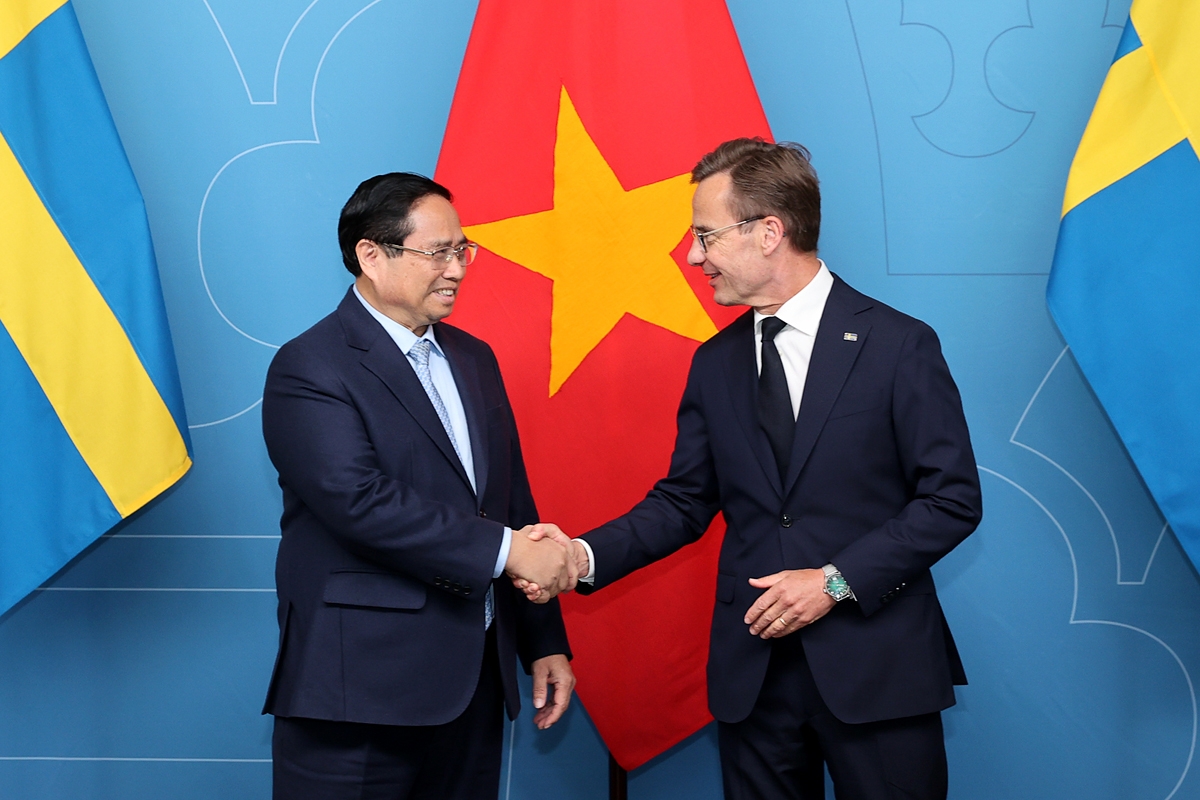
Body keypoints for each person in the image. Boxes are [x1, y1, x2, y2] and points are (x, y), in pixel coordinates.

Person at [524, 139, 983, 799]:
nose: (692, 256)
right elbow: (684, 503)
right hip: (755, 676)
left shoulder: (898, 345)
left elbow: (952, 501)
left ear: (770, 232)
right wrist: (580, 555)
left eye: (705, 235)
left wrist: (832, 582)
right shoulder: (715, 363)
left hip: (876, 669)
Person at [261, 172, 577, 800]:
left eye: (463, 250)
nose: (457, 269)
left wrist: (544, 641)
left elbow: (510, 504)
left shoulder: (474, 358)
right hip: (359, 694)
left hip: (476, 687)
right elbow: (359, 501)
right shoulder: (310, 365)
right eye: (438, 253)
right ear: (371, 256)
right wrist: (512, 551)